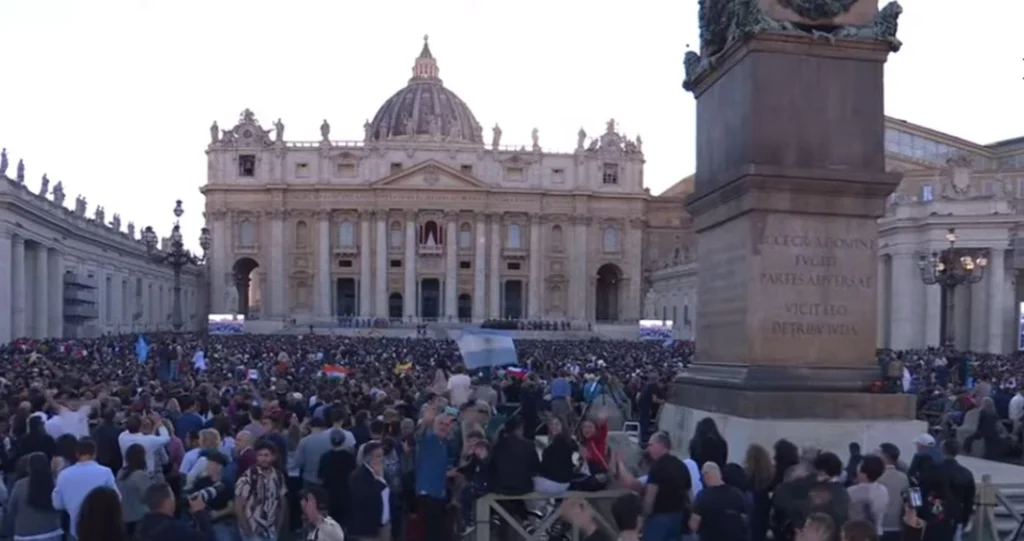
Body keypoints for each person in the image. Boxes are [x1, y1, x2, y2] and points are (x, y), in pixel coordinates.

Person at [52, 437, 120, 541]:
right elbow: (117, 498)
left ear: (77, 454)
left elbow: (57, 504)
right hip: (102, 528)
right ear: (95, 453)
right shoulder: (105, 472)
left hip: (76, 529)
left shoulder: (64, 475)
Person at [0, 452, 64, 541]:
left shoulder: (20, 485)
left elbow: (11, 510)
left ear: (29, 468)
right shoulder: (54, 483)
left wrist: (7, 531)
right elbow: (61, 506)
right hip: (52, 531)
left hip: (24, 534)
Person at [234, 441, 288, 541]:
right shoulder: (248, 477)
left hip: (271, 530)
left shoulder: (278, 476)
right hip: (253, 530)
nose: (263, 459)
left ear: (273, 457)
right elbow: (238, 505)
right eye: (260, 455)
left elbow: (281, 502)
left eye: (267, 455)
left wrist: (278, 526)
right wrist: (247, 529)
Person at [689, 461, 748, 541]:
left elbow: (693, 526)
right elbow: (746, 519)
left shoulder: (702, 497)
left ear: (706, 476)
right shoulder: (737, 494)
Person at [137, 482, 216, 541]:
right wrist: (200, 513)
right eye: (172, 496)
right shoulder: (174, 530)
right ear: (167, 501)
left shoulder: (142, 525)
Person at [187, 452, 236, 541]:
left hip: (220, 522)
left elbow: (231, 508)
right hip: (201, 520)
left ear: (219, 467)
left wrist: (217, 514)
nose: (207, 466)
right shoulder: (200, 482)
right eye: (208, 463)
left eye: (210, 464)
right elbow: (192, 502)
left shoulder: (227, 485)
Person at [349, 441, 391, 541]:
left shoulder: (384, 471)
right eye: (378, 456)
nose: (382, 459)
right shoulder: (357, 476)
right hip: (368, 528)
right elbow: (367, 497)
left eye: (382, 455)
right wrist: (380, 479)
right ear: (368, 458)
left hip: (385, 524)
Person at [318, 429, 356, 525]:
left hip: (329, 494)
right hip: (345, 494)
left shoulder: (325, 457)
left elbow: (320, 476)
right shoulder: (350, 457)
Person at [847, 455, 889, 536]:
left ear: (864, 474)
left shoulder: (851, 491)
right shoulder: (883, 490)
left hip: (856, 535)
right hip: (877, 533)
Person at [117, 443, 153, 536]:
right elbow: (148, 497)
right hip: (140, 518)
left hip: (124, 517)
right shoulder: (141, 476)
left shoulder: (120, 473)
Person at [877, 443, 909, 541]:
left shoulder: (876, 476)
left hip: (879, 525)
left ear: (884, 456)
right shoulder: (904, 478)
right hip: (897, 525)